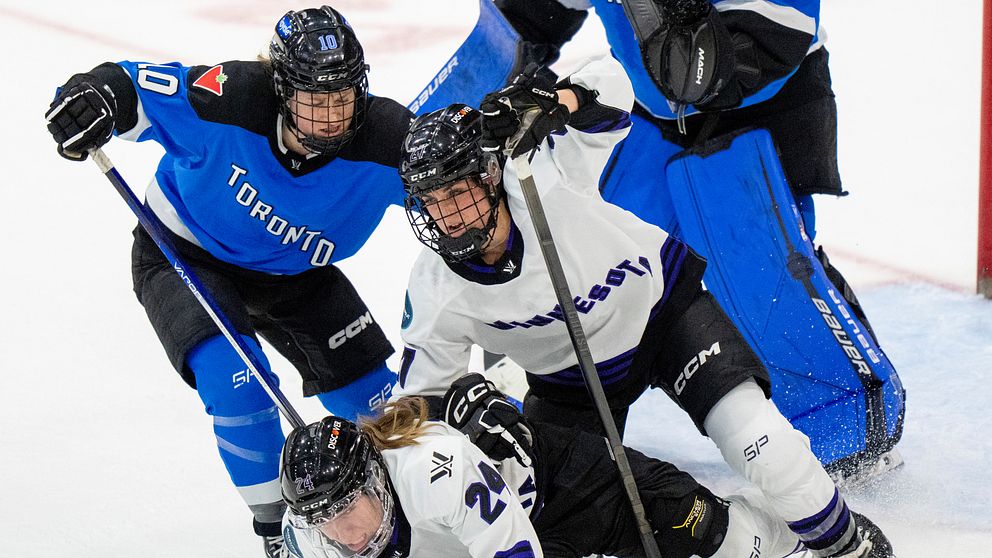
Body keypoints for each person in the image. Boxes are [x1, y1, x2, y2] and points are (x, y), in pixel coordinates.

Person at [392, 56, 893, 558]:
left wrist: (553, 102)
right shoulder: (435, 289)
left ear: (489, 174)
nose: (446, 216)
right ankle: (765, 533)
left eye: (456, 192)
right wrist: (463, 421)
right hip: (570, 385)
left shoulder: (539, 168)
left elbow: (614, 87)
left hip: (663, 314)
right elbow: (419, 410)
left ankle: (847, 545)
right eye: (430, 201)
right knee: (559, 528)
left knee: (760, 443)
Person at [44, 6, 411, 556]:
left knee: (381, 410)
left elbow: (459, 190)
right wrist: (92, 97)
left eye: (344, 96)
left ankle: (409, 504)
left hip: (295, 275)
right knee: (236, 382)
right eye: (316, 99)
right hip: (184, 253)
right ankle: (279, 536)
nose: (334, 116)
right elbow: (129, 87)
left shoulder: (387, 138)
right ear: (282, 91)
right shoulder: (230, 97)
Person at [279, 374, 807, 558]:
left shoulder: (437, 472)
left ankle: (790, 530)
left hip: (563, 486)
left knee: (717, 537)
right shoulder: (311, 532)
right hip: (492, 537)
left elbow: (512, 549)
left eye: (348, 509)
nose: (343, 534)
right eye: (324, 520)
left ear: (377, 478)